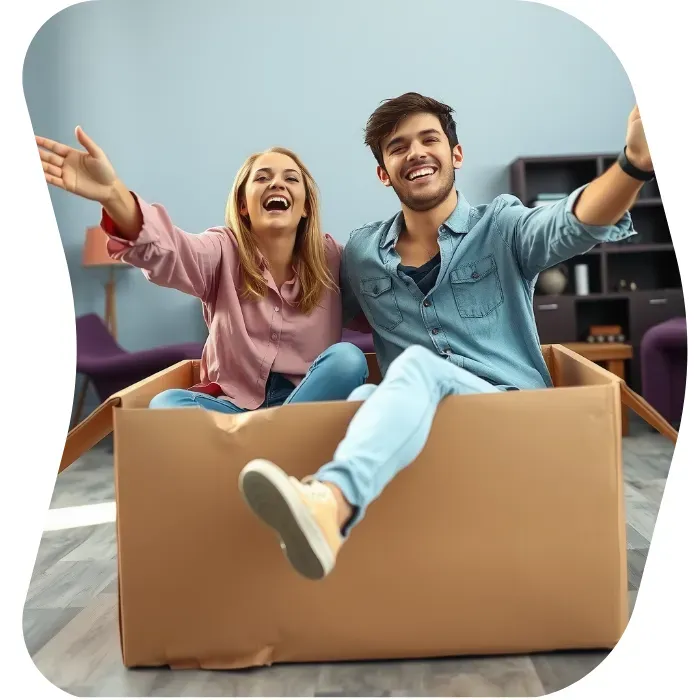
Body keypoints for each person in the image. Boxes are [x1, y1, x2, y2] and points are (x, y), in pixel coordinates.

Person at [238, 93, 653, 581]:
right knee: (367, 394)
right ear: (383, 172)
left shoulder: (502, 225)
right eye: (398, 147)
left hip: (512, 418)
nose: (414, 152)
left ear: (456, 154)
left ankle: (332, 505)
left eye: (428, 139)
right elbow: (301, 307)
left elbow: (569, 223)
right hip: (425, 430)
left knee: (415, 365)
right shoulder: (361, 254)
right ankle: (337, 532)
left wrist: (634, 164)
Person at [36, 128, 369, 414]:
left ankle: (261, 442)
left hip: (307, 401)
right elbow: (172, 251)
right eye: (263, 178)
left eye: (290, 178)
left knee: (348, 359)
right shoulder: (221, 249)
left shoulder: (333, 259)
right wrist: (114, 196)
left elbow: (383, 303)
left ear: (306, 206)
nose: (276, 184)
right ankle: (268, 442)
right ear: (243, 205)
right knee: (166, 404)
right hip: (233, 407)